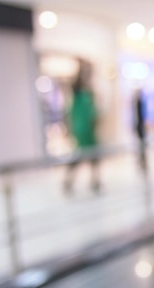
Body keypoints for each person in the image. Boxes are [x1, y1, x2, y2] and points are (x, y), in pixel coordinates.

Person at [64, 62, 101, 195]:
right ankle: (69, 182)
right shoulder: (78, 95)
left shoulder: (87, 94)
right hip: (82, 131)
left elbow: (94, 113)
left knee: (93, 158)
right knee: (80, 157)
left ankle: (95, 181)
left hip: (88, 131)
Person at [134, 89, 147, 170]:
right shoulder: (139, 104)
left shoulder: (139, 103)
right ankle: (141, 160)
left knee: (142, 146)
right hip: (140, 127)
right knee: (141, 146)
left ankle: (142, 159)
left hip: (140, 127)